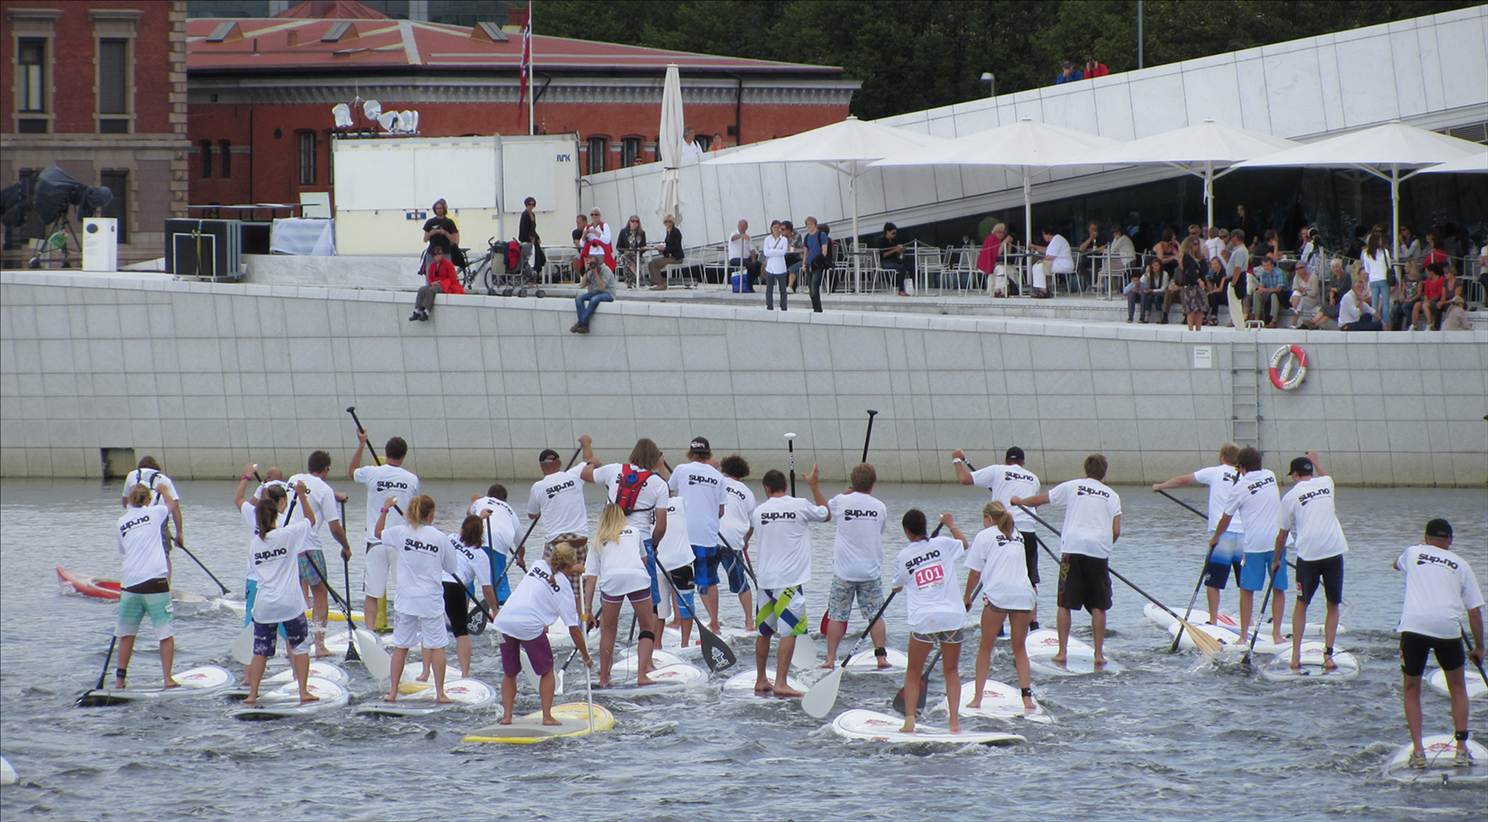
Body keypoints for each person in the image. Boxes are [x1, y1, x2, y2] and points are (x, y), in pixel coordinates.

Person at [1011, 453, 1120, 668]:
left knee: (1065, 603)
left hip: (1073, 550)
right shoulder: (1112, 495)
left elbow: (1042, 500)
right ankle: (1098, 655)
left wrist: (1019, 501)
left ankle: (1062, 653)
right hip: (1099, 553)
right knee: (1099, 606)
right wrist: (1103, 545)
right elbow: (1116, 531)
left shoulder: (1073, 486)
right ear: (1104, 472)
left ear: (1086, 469)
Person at [1394, 518, 1484, 768]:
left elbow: (1395, 564)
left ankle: (1419, 752)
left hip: (1414, 627)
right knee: (1457, 686)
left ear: (1425, 538)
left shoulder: (1412, 552)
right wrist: (1479, 648)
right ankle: (1461, 749)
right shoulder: (1462, 564)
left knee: (1411, 688)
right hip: (1447, 628)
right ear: (1450, 542)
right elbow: (1475, 613)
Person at [234, 471, 317, 706]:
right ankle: (303, 692)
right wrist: (301, 496)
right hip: (290, 604)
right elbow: (311, 520)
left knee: (260, 651)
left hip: (264, 606)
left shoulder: (254, 544)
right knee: (299, 647)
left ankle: (252, 695)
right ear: (275, 515)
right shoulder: (288, 535)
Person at [749, 466, 828, 697]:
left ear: (766, 488)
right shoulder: (800, 505)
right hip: (789, 583)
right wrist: (813, 485)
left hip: (765, 582)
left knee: (764, 631)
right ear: (785, 486)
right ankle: (781, 683)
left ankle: (761, 679)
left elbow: (751, 533)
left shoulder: (759, 511)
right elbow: (826, 513)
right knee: (789, 632)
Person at [492, 542, 592, 724]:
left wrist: (573, 567)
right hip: (528, 625)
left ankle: (507, 717)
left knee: (510, 673)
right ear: (569, 563)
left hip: (503, 621)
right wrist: (586, 656)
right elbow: (574, 629)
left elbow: (553, 563)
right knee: (547, 671)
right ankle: (547, 717)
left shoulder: (538, 564)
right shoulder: (565, 589)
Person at [375, 494, 459, 703]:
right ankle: (440, 693)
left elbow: (378, 533)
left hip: (406, 599)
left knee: (401, 646)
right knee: (437, 645)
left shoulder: (401, 532)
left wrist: (385, 509)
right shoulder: (440, 537)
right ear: (431, 514)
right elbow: (451, 568)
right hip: (430, 600)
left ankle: (392, 692)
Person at [1152, 443, 1246, 627]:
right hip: (1244, 536)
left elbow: (1183, 480)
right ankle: (1246, 622)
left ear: (1222, 457)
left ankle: (1213, 620)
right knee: (1245, 584)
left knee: (1213, 582)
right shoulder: (1245, 476)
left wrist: (1160, 486)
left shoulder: (1215, 472)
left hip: (1221, 535)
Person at [893, 509, 969, 734]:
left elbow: (897, 585)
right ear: (925, 527)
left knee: (913, 670)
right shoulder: (944, 543)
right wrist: (950, 523)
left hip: (924, 619)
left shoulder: (903, 556)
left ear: (907, 532)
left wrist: (898, 585)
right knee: (951, 671)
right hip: (953, 617)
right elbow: (964, 544)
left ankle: (909, 721)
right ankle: (954, 723)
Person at [1274, 452, 1349, 672]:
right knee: (1333, 603)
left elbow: (1281, 535)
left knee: (1302, 603)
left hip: (1308, 556)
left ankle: (1295, 655)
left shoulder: (1289, 497)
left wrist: (1276, 559)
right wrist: (1316, 460)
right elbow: (1325, 476)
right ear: (1312, 472)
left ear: (1295, 475)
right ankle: (1328, 654)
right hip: (1334, 551)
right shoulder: (1327, 483)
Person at [952, 446, 1042, 629]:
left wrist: (957, 460)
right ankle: (1034, 625)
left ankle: (997, 625)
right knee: (1029, 579)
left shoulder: (997, 470)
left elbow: (964, 479)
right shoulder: (1034, 478)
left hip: (1001, 532)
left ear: (1006, 460)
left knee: (995, 575)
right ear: (1023, 463)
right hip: (1028, 533)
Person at [581, 436, 671, 617]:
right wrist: (652, 546)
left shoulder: (614, 470)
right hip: (642, 540)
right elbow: (661, 527)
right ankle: (652, 641)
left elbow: (584, 475)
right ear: (655, 458)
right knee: (650, 601)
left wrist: (592, 463)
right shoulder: (660, 484)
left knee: (610, 597)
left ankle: (602, 630)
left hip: (609, 538)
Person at [964, 501, 1038, 714]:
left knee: (985, 647)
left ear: (987, 518)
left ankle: (977, 699)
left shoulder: (984, 535)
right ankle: (1027, 699)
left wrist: (966, 598)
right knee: (1019, 648)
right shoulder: (1018, 535)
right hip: (1024, 596)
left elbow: (975, 573)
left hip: (999, 596)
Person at [1208, 446, 1286, 646]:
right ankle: (1277, 635)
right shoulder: (1271, 476)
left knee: (1246, 590)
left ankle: (1243, 637)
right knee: (1278, 589)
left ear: (1241, 467)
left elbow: (1225, 519)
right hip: (1278, 542)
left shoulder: (1239, 488)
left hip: (1254, 546)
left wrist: (1216, 538)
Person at [112, 482, 181, 690]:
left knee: (126, 635)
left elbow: (123, 550)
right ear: (148, 500)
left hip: (130, 584)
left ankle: (119, 681)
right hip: (155, 581)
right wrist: (164, 490)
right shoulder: (156, 512)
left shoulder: (121, 521)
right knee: (165, 633)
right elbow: (173, 504)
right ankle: (168, 679)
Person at [348, 431, 419, 632]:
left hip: (375, 542)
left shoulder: (371, 472)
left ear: (386, 453)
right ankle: (403, 631)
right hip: (401, 544)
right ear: (404, 456)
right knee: (403, 591)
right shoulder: (412, 479)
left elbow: (351, 471)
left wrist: (361, 445)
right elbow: (416, 511)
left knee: (372, 593)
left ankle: (369, 632)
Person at [583, 503, 660, 687]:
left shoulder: (597, 541)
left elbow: (591, 579)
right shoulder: (634, 531)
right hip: (637, 578)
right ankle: (642, 676)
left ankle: (603, 678)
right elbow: (643, 559)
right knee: (647, 627)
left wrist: (587, 611)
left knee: (608, 630)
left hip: (611, 581)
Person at [821, 463, 890, 670]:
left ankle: (830, 659)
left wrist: (841, 494)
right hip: (870, 570)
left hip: (844, 571)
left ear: (852, 482)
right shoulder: (880, 506)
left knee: (837, 615)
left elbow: (824, 512)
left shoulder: (841, 501)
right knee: (875, 614)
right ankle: (881, 658)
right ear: (873, 484)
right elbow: (880, 530)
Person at [288, 450, 352, 658]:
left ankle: (293, 645)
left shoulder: (294, 479)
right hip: (309, 547)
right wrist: (346, 547)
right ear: (326, 470)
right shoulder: (324, 490)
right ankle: (319, 645)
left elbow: (309, 492)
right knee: (320, 594)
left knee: (296, 594)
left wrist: (334, 495)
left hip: (287, 546)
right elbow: (335, 528)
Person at [668, 437, 732, 634]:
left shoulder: (680, 470)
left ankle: (678, 620)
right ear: (708, 454)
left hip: (683, 537)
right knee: (709, 581)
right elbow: (721, 511)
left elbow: (668, 494)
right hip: (707, 536)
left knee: (678, 578)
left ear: (691, 453)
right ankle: (714, 623)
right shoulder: (718, 477)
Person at [443, 514, 499, 678]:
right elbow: (487, 589)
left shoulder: (451, 538)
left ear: (462, 528)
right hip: (455, 588)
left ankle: (426, 672)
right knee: (461, 634)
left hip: (435, 585)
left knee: (432, 629)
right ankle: (465, 674)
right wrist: (495, 610)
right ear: (480, 535)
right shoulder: (480, 555)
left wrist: (478, 517)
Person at [526, 446, 590, 574]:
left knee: (550, 581)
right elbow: (591, 461)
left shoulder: (538, 487)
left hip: (556, 541)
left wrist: (540, 510)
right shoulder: (574, 475)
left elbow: (531, 515)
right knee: (580, 580)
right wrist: (586, 443)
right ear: (559, 463)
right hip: (580, 539)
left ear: (541, 466)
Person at [717, 455, 757, 629]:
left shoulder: (716, 482)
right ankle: (749, 621)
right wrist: (745, 541)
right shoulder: (747, 492)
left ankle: (713, 621)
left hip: (710, 537)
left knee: (706, 582)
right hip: (733, 541)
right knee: (741, 583)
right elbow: (752, 524)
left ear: (724, 468)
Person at [470, 483, 521, 606]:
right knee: (498, 579)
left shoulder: (480, 501)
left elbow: (469, 516)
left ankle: (463, 602)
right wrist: (521, 559)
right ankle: (501, 607)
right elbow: (520, 543)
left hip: (476, 538)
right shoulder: (510, 510)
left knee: (467, 574)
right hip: (498, 543)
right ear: (505, 499)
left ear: (488, 495)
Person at [121, 456, 184, 551]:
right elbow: (175, 508)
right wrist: (179, 533)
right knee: (164, 553)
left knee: (138, 551)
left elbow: (124, 502)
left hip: (135, 519)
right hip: (159, 518)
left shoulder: (132, 475)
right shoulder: (164, 479)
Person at [410, 243, 463, 322]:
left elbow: (453, 278)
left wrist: (440, 282)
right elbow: (430, 277)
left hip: (446, 285)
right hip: (435, 284)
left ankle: (426, 311)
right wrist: (432, 283)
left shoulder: (448, 264)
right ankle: (417, 310)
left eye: (439, 254)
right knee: (422, 289)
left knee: (430, 290)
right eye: (435, 254)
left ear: (442, 255)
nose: (437, 256)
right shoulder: (433, 265)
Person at [571, 244, 615, 335]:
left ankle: (580, 322)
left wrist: (595, 273)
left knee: (594, 299)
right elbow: (582, 285)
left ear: (598, 263)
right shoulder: (590, 270)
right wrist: (587, 272)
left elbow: (602, 287)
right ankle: (584, 325)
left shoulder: (605, 270)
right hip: (595, 292)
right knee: (579, 298)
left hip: (607, 293)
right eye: (589, 261)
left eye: (593, 262)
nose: (592, 264)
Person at [1029, 227, 1073, 298]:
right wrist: (1034, 247)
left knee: (1039, 266)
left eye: (1043, 235)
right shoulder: (1055, 240)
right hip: (1060, 264)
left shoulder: (1057, 239)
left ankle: (1043, 291)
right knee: (1037, 266)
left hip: (1063, 265)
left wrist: (1042, 260)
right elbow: (1046, 250)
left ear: (1046, 234)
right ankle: (1041, 289)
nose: (1044, 237)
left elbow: (1050, 256)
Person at [422, 198, 463, 269]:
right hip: (432, 253)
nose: (439, 210)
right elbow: (425, 239)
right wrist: (431, 233)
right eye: (437, 208)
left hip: (446, 252)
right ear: (434, 209)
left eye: (440, 208)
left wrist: (445, 233)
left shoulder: (449, 222)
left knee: (446, 275)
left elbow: (454, 240)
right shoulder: (430, 222)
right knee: (431, 275)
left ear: (444, 209)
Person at [871, 223, 911, 296]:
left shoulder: (894, 241)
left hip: (894, 261)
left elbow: (897, 255)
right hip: (884, 262)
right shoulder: (881, 241)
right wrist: (895, 250)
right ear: (887, 232)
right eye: (893, 233)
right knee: (901, 268)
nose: (894, 235)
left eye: (895, 233)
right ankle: (901, 290)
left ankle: (906, 287)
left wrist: (900, 250)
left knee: (907, 265)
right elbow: (883, 255)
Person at [647, 215, 683, 289]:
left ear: (673, 222)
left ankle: (661, 284)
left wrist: (664, 249)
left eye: (670, 221)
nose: (668, 223)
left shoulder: (676, 232)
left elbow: (675, 247)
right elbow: (667, 245)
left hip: (676, 257)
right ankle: (656, 282)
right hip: (669, 256)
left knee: (654, 264)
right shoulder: (668, 231)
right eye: (666, 222)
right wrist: (662, 250)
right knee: (651, 263)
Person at [803, 217, 831, 311]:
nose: (809, 226)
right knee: (811, 290)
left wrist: (818, 261)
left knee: (815, 287)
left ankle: (818, 309)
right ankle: (815, 308)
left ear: (815, 224)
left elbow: (824, 251)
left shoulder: (821, 235)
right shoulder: (806, 237)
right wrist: (804, 263)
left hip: (817, 264)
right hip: (808, 264)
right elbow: (806, 252)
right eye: (808, 224)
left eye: (811, 224)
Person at [1222, 229, 1249, 327]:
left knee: (1235, 303)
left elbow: (1237, 268)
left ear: (1235, 238)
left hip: (1237, 279)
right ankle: (1237, 322)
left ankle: (1238, 324)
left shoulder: (1240, 251)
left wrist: (1233, 283)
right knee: (1234, 303)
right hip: (1236, 278)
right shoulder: (1237, 250)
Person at [1180, 239, 1209, 330]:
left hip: (1200, 286)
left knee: (1200, 309)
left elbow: (1204, 270)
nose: (1196, 246)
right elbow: (1190, 271)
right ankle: (1190, 329)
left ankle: (1198, 329)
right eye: (1194, 244)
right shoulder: (1186, 257)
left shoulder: (1200, 257)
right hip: (1190, 285)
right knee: (1191, 309)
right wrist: (1198, 279)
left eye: (1197, 244)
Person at [762, 219, 790, 310]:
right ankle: (769, 306)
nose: (776, 229)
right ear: (771, 228)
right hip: (770, 267)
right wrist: (776, 251)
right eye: (774, 227)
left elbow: (783, 252)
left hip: (781, 267)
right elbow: (766, 252)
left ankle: (783, 306)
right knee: (769, 289)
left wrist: (772, 251)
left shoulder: (784, 239)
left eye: (778, 227)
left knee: (783, 289)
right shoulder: (767, 239)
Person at [1251, 255, 1286, 328]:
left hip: (1280, 294)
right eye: (1264, 266)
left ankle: (1273, 321)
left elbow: (1279, 289)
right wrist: (1259, 289)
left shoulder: (1279, 272)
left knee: (1274, 294)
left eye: (1267, 265)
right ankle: (1256, 319)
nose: (1266, 267)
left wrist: (1264, 290)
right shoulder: (1263, 273)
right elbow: (1262, 286)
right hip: (1268, 293)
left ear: (1272, 265)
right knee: (1257, 294)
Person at [727, 219, 761, 287]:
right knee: (749, 265)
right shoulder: (733, 234)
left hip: (746, 259)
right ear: (738, 226)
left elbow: (752, 250)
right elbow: (733, 238)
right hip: (735, 259)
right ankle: (748, 284)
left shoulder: (748, 237)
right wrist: (741, 235)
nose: (743, 228)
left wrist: (754, 259)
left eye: (744, 226)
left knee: (758, 265)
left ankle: (750, 282)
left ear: (746, 227)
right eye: (741, 226)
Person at [978, 222, 1009, 297]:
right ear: (995, 232)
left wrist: (1007, 244)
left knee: (1009, 270)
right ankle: (999, 290)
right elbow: (997, 253)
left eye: (1003, 233)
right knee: (1001, 269)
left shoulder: (996, 239)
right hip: (986, 264)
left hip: (994, 263)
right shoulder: (992, 239)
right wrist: (1005, 242)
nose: (1002, 234)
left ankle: (1000, 289)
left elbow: (1007, 253)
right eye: (1000, 232)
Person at [1125, 258, 1160, 323]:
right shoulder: (1131, 284)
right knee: (1130, 293)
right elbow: (1125, 291)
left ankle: (1142, 317)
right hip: (1135, 297)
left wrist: (1140, 290)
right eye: (1134, 280)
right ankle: (1130, 317)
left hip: (1144, 297)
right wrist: (1133, 289)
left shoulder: (1143, 283)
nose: (1136, 282)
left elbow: (1147, 287)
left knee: (1143, 294)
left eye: (1137, 280)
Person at [615, 215, 645, 288]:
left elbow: (643, 247)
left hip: (636, 255)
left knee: (628, 260)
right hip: (624, 254)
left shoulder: (641, 233)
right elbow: (618, 247)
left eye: (636, 221)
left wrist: (637, 252)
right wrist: (625, 251)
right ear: (629, 222)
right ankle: (639, 277)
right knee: (625, 257)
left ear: (639, 223)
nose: (634, 223)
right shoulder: (623, 232)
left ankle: (629, 282)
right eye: (632, 221)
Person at [518, 195, 545, 275]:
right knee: (530, 260)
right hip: (527, 240)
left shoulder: (533, 215)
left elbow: (533, 229)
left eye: (533, 204)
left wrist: (537, 238)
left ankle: (534, 276)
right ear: (526, 205)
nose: (531, 206)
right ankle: (530, 278)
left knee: (539, 259)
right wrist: (530, 239)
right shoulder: (524, 215)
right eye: (529, 204)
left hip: (533, 240)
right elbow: (524, 229)